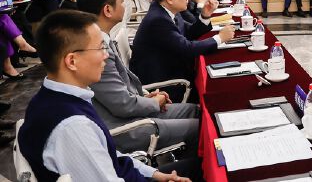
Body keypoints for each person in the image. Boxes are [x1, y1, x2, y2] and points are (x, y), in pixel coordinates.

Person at [17, 9, 191, 181]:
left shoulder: (51, 98)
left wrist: (154, 174)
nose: (106, 55)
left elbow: (108, 155)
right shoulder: (73, 127)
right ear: (72, 61)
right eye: (101, 48)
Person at [77, 0, 200, 154]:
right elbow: (123, 105)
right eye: (122, 1)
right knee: (202, 128)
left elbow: (120, 92)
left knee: (197, 111)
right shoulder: (97, 51)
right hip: (126, 127)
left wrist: (146, 97)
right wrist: (153, 102)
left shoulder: (103, 40)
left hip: (133, 110)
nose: (125, 6)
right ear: (108, 10)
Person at [130, 0, 235, 96]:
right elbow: (187, 48)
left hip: (172, 67)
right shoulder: (158, 20)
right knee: (219, 89)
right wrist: (220, 38)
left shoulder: (167, 10)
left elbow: (188, 32)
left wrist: (205, 15)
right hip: (163, 84)